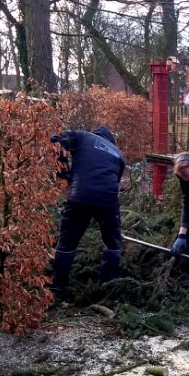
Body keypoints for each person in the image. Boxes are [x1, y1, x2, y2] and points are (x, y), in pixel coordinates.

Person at [49, 126, 125, 300]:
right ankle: (109, 288)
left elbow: (55, 140)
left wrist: (64, 172)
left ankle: (57, 290)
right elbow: (115, 182)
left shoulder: (82, 136)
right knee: (113, 243)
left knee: (67, 243)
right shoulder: (119, 154)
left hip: (79, 196)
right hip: (108, 200)